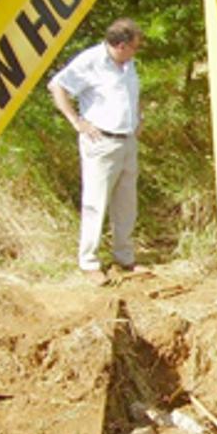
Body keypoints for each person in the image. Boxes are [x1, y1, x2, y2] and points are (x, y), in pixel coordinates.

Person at [48, 18, 144, 286]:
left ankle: (124, 258)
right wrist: (77, 122)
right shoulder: (90, 61)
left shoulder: (128, 64)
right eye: (134, 47)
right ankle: (89, 262)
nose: (136, 52)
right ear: (121, 45)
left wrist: (140, 118)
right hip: (101, 141)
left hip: (127, 140)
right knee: (95, 202)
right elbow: (57, 86)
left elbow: (132, 94)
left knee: (126, 203)